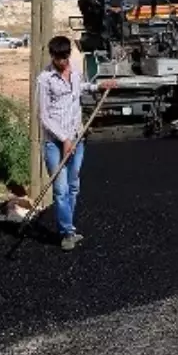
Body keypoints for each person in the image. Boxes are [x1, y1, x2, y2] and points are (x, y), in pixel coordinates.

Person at [36, 35, 117, 251]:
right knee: (60, 189)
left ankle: (68, 227)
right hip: (55, 143)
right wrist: (64, 139)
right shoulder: (45, 79)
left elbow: (82, 88)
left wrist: (100, 86)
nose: (63, 62)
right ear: (52, 56)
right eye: (59, 58)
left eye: (66, 57)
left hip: (77, 139)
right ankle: (67, 232)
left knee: (73, 186)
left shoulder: (75, 73)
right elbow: (44, 116)